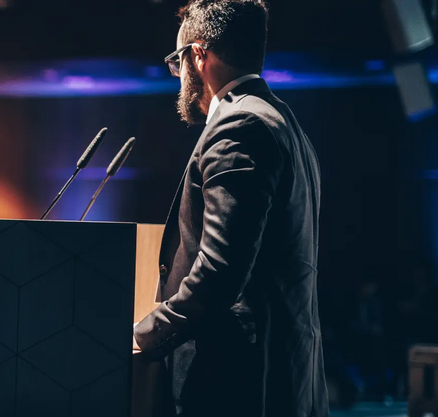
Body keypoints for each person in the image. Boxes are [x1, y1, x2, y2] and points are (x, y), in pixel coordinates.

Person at [131, 1, 327, 416]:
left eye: (176, 61)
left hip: (237, 385)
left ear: (197, 55)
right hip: (283, 376)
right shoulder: (284, 122)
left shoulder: (240, 127)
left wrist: (146, 334)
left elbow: (220, 271)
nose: (178, 76)